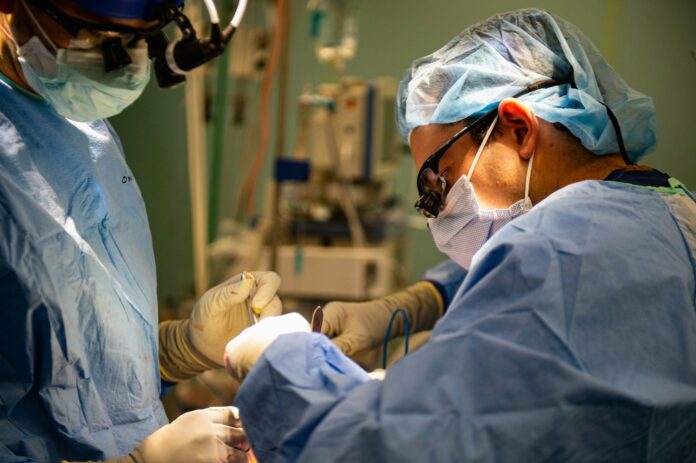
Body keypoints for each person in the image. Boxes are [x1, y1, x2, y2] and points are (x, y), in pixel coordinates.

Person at [223, 8, 696, 462]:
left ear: (518, 129)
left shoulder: (558, 249)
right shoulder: (669, 211)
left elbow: (384, 450)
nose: (438, 214)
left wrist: (283, 365)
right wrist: (425, 299)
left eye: (438, 181)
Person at [0, 0, 282, 461]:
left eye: (141, 40)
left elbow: (77, 370)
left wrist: (185, 347)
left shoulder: (77, 120)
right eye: (97, 37)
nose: (121, 62)